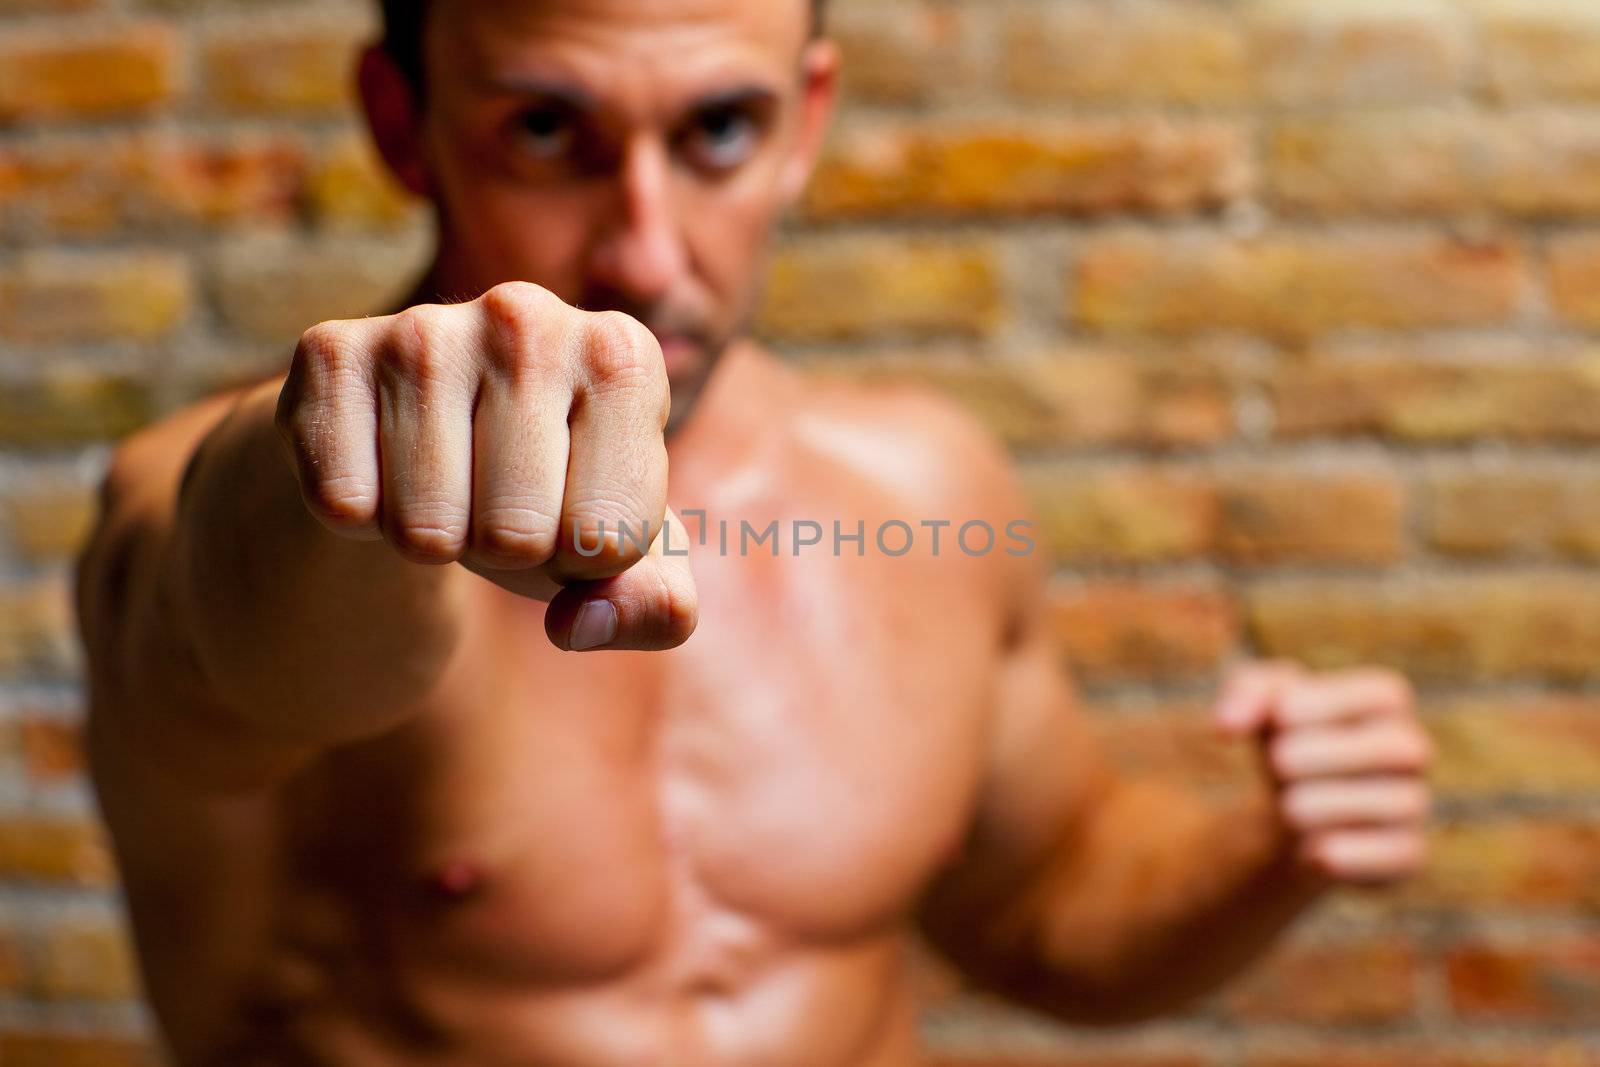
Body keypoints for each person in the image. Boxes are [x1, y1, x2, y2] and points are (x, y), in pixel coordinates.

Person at [73, 1, 1434, 1064]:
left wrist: (1266, 857)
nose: (648, 255)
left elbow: (1047, 913)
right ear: (402, 121)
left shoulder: (924, 487)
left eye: (720, 128)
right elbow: (237, 658)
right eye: (547, 130)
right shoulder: (219, 501)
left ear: (806, 121)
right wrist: (346, 482)